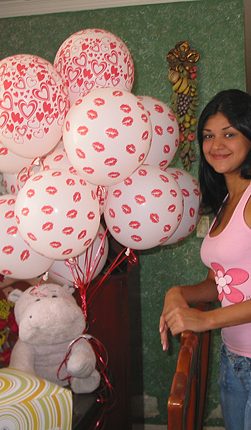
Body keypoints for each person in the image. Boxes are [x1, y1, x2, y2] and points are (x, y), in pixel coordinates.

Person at [159, 89, 251, 430]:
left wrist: (206, 322)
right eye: (208, 136)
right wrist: (178, 292)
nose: (217, 145)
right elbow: (222, 283)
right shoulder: (227, 200)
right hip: (235, 357)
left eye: (229, 134)